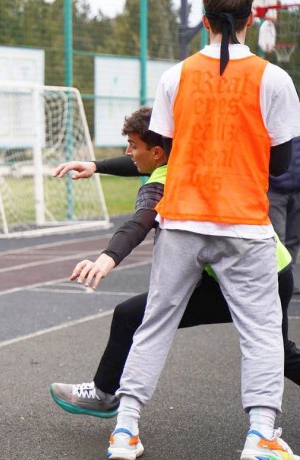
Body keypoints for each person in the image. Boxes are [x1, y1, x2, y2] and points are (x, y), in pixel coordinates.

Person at [105, 2, 300, 459]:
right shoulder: (275, 79)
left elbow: (167, 149)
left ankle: (125, 430)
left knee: (155, 323)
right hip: (244, 222)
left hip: (183, 219)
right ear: (251, 20)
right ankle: (261, 435)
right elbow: (282, 163)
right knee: (263, 333)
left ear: (206, 22)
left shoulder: (174, 76)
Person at [48, 108, 300, 431]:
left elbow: (140, 223)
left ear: (156, 151)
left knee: (276, 354)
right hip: (253, 268)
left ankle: (107, 396)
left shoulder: (165, 182)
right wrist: (97, 166)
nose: (128, 152)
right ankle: (104, 392)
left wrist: (108, 257)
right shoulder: (185, 154)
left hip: (260, 276)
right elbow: (141, 162)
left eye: (132, 145)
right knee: (130, 315)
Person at [268, 137, 300, 293]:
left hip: (298, 190)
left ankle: (289, 279)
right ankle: (275, 280)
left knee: (295, 239)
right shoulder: (279, 120)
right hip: (275, 189)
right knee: (277, 239)